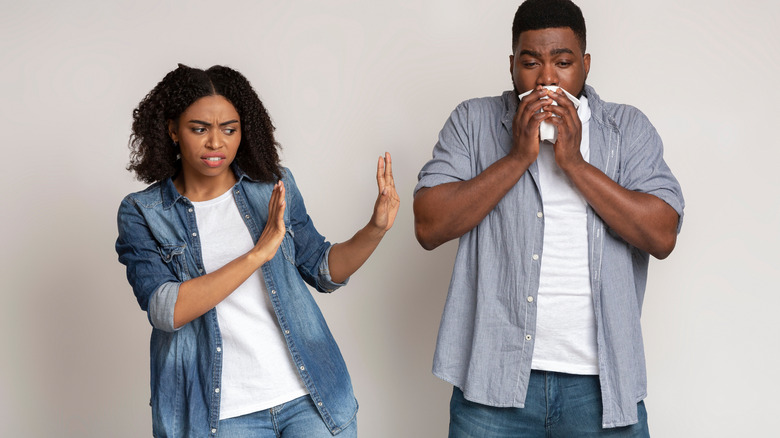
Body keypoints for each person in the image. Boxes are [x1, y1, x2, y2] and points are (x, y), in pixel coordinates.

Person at [413, 0, 684, 436]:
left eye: (563, 62)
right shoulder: (472, 121)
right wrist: (518, 157)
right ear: (511, 65)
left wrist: (575, 164)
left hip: (601, 387)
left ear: (585, 65)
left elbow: (662, 233)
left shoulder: (628, 129)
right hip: (492, 386)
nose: (547, 79)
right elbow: (428, 225)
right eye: (531, 62)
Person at [116, 64, 399, 437]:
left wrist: (375, 229)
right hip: (220, 416)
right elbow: (167, 310)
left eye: (229, 129)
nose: (216, 143)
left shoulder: (272, 187)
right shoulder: (143, 212)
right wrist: (256, 254)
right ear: (172, 130)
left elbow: (323, 269)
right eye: (199, 129)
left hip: (309, 399)